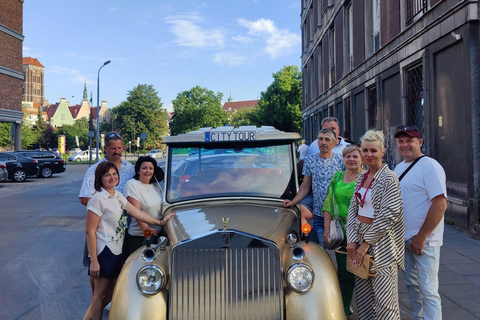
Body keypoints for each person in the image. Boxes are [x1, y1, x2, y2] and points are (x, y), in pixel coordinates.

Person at [83, 162, 173, 320]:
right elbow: (90, 232)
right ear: (100, 178)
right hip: (104, 251)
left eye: (114, 174)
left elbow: (136, 212)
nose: (112, 177)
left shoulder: (117, 196)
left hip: (118, 250)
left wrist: (160, 222)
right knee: (99, 295)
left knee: (112, 293)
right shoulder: (98, 199)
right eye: (107, 175)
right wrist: (94, 261)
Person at [346, 130, 404, 320]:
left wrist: (365, 244)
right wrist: (353, 241)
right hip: (360, 240)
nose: (369, 155)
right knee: (363, 299)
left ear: (382, 152)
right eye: (365, 150)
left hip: (382, 244)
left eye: (373, 151)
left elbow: (389, 215)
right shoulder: (361, 178)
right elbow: (353, 211)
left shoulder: (389, 178)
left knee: (385, 301)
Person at [394, 125, 447, 320]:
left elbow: (440, 203)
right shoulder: (400, 167)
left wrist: (422, 236)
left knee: (428, 290)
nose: (405, 144)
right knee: (412, 286)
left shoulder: (429, 166)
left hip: (425, 241)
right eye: (401, 141)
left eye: (410, 140)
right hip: (404, 239)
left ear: (420, 142)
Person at [78, 132, 135, 311]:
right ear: (106, 149)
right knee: (97, 271)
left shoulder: (129, 168)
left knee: (116, 270)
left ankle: (108, 302)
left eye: (120, 148)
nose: (117, 151)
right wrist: (108, 207)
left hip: (123, 229)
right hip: (101, 229)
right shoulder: (95, 169)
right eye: (113, 148)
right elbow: (84, 197)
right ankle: (97, 304)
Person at [283, 128, 345, 246]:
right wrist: (293, 202)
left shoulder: (341, 161)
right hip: (319, 215)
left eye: (327, 139)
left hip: (339, 214)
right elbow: (306, 187)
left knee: (341, 251)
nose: (323, 142)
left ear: (334, 143)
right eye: (320, 139)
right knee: (322, 250)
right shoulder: (310, 161)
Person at [322, 145, 364, 316]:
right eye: (348, 157)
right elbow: (328, 203)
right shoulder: (338, 176)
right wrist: (326, 230)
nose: (351, 160)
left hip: (362, 233)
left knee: (362, 274)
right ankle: (343, 310)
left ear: (361, 159)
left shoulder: (367, 178)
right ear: (344, 159)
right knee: (344, 275)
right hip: (341, 233)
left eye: (355, 156)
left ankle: (367, 311)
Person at [124, 156, 174, 254]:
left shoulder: (155, 185)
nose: (148, 171)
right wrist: (146, 229)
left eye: (151, 168)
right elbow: (136, 212)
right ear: (138, 170)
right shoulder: (132, 185)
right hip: (141, 237)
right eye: (144, 168)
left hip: (158, 234)